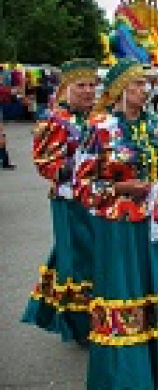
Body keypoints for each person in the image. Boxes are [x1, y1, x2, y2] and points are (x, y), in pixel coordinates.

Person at [75, 58, 158, 389]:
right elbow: (82, 185)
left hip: (157, 222)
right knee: (126, 291)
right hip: (120, 225)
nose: (145, 90)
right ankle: (129, 375)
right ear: (119, 89)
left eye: (146, 84)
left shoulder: (157, 124)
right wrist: (122, 188)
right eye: (137, 85)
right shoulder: (100, 128)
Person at [21, 59, 98, 344]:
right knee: (77, 259)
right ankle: (80, 324)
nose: (88, 91)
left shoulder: (98, 117)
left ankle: (92, 314)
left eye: (92, 85)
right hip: (70, 202)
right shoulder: (53, 121)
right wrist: (75, 166)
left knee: (89, 255)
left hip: (98, 200)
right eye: (81, 86)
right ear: (66, 88)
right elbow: (44, 162)